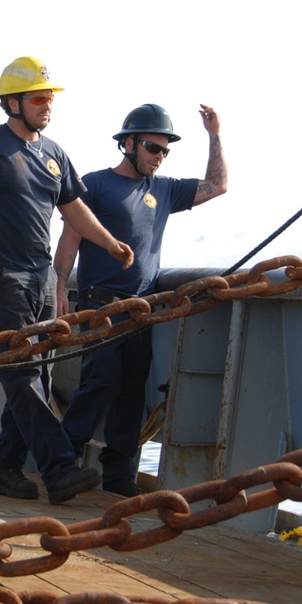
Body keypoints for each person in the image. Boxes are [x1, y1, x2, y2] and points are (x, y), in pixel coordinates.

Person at [0, 56, 135, 504]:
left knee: (36, 378)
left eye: (50, 98)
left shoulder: (54, 153)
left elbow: (74, 209)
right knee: (22, 377)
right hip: (1, 277)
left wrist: (108, 242)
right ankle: (60, 470)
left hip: (41, 279)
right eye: (38, 98)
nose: (47, 105)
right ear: (11, 103)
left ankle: (5, 470)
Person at [54, 103, 227, 497]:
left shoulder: (164, 189)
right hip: (100, 305)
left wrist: (214, 134)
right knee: (100, 380)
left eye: (165, 150)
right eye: (153, 148)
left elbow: (218, 185)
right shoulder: (93, 185)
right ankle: (61, 463)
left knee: (132, 391)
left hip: (142, 309)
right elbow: (70, 239)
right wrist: (60, 288)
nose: (159, 157)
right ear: (128, 144)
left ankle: (118, 478)